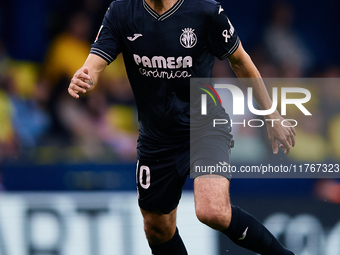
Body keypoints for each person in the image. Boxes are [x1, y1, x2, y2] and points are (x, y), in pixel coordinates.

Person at [68, 0, 297, 254]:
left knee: (213, 211)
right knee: (157, 227)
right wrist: (85, 76)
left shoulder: (205, 10)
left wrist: (271, 114)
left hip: (205, 125)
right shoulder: (122, 10)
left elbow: (241, 61)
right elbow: (96, 61)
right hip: (156, 137)